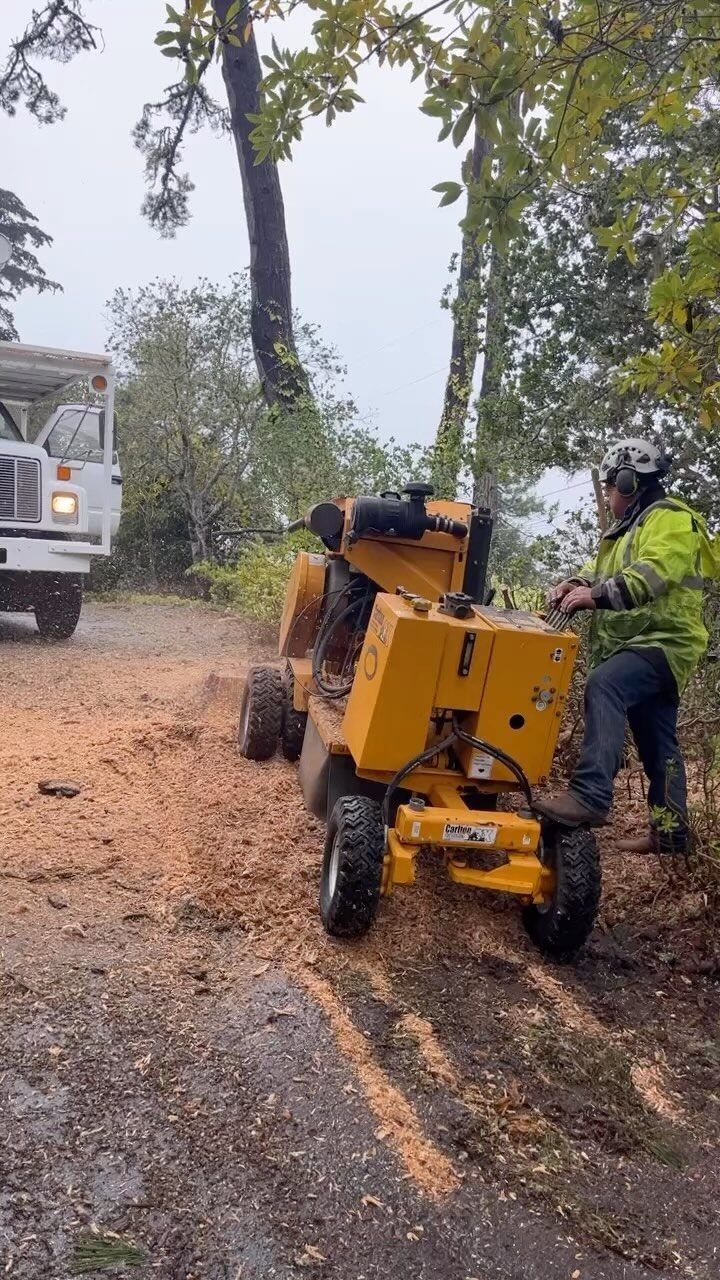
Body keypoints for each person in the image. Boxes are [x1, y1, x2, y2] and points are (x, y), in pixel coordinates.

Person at [537, 437, 716, 854]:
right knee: (659, 744)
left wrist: (595, 597)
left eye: (611, 488)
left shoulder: (670, 520)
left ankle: (590, 795)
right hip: (644, 643)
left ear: (629, 481)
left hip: (664, 641)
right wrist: (577, 583)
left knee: (605, 684)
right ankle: (670, 834)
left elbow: (652, 574)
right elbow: (600, 571)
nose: (609, 495)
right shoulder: (625, 530)